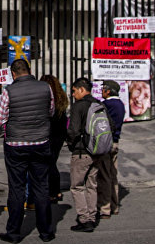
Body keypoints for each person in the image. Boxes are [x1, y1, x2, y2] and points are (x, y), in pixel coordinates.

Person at [0, 58, 54, 244]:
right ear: (29, 70)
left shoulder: (9, 91)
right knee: (41, 187)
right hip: (41, 142)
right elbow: (50, 111)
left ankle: (13, 232)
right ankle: (46, 232)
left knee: (17, 189)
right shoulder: (46, 88)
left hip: (16, 145)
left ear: (13, 74)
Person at [67, 77, 109, 233]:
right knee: (92, 185)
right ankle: (92, 216)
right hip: (97, 151)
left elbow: (73, 130)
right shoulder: (99, 104)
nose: (73, 94)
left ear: (81, 89)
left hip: (81, 151)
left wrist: (71, 144)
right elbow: (109, 126)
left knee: (77, 186)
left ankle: (84, 219)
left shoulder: (79, 107)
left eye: (74, 91)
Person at [97, 80, 126, 219]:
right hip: (115, 142)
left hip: (106, 143)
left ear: (108, 91)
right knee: (113, 175)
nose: (102, 91)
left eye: (103, 89)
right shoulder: (120, 105)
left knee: (104, 176)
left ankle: (105, 208)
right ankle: (114, 205)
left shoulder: (107, 105)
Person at [40, 74, 69, 202]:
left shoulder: (46, 98)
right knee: (52, 161)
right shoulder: (60, 97)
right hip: (60, 133)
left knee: (48, 163)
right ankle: (55, 191)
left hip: (50, 132)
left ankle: (52, 191)